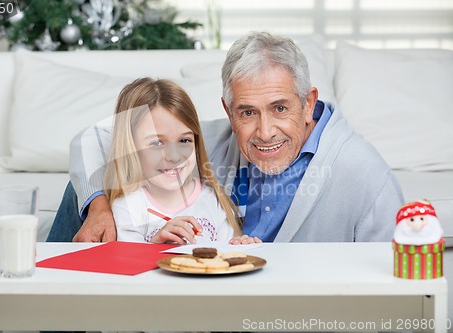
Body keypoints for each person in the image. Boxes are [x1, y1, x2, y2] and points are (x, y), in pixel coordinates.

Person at [47, 31, 404, 244]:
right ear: (229, 110)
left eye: (280, 108)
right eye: (247, 112)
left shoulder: (364, 173)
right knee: (83, 190)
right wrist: (97, 207)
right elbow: (91, 138)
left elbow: (397, 285)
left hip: (287, 312)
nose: (264, 132)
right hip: (209, 298)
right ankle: (49, 310)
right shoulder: (201, 141)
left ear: (308, 103)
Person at [103, 77, 256, 244]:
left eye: (184, 141)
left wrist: (241, 248)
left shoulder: (214, 199)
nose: (174, 156)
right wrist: (155, 245)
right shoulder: (129, 206)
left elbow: (226, 257)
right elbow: (127, 263)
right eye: (157, 143)